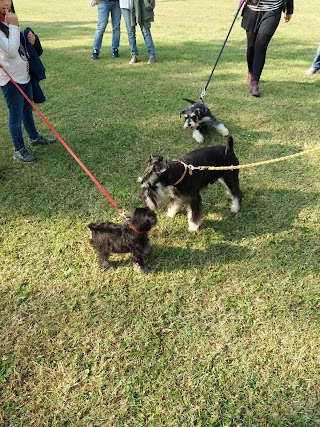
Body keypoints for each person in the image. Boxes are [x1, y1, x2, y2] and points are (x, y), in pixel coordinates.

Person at [0, 0, 55, 163]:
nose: (6, 3)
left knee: (27, 110)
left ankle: (34, 137)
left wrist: (31, 40)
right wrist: (15, 26)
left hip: (24, 75)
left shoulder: (8, 19)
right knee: (16, 115)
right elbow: (9, 51)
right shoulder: (9, 22)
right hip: (11, 81)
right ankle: (19, 149)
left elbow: (18, 45)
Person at [241, 0, 294, 97]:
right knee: (251, 46)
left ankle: (255, 83)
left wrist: (289, 10)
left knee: (261, 45)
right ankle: (251, 72)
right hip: (252, 10)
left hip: (272, 11)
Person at [119, 0, 156, 64]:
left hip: (139, 4)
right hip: (125, 6)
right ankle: (134, 55)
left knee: (145, 30)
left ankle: (152, 56)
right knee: (130, 32)